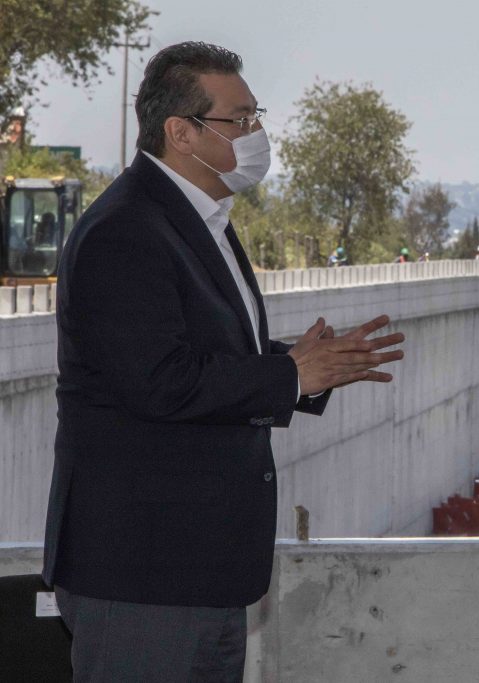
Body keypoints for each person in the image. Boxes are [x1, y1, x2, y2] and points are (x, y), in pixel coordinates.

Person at [43, 42, 405, 680]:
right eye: (239, 120)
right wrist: (291, 376)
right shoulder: (125, 230)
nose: (256, 134)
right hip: (143, 571)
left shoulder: (198, 220)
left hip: (201, 569)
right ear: (180, 133)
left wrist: (303, 363)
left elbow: (202, 353)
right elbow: (156, 381)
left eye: (256, 116)